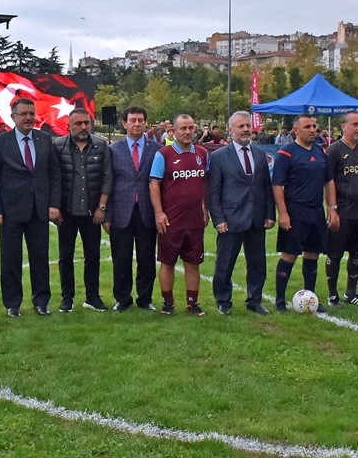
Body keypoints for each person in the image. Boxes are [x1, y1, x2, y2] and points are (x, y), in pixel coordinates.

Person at [0, 96, 61, 317]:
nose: (28, 117)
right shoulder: (0, 142)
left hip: (39, 210)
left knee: (40, 258)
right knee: (10, 259)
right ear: (13, 117)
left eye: (31, 113)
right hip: (10, 211)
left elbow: (54, 174)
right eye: (24, 114)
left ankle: (41, 301)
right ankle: (13, 303)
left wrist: (54, 204)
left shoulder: (45, 139)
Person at [207, 111, 274, 315]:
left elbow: (266, 187)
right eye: (240, 126)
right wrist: (218, 219)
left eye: (247, 125)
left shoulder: (261, 155)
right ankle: (223, 301)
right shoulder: (218, 157)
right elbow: (214, 191)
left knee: (257, 263)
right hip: (230, 219)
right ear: (231, 130)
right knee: (225, 263)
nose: (245, 129)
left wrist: (270, 214)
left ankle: (255, 300)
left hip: (256, 218)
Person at [149, 113, 210, 316]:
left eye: (191, 128)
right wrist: (159, 213)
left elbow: (205, 185)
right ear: (173, 131)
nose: (187, 132)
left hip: (194, 221)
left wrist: (205, 209)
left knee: (193, 263)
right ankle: (168, 303)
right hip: (170, 221)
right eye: (183, 128)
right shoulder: (163, 154)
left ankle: (192, 303)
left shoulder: (202, 153)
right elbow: (154, 184)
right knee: (167, 263)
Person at [271, 114, 333, 313]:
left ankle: (310, 297)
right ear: (296, 130)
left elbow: (328, 181)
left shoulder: (321, 152)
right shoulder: (286, 153)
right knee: (289, 255)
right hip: (295, 211)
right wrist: (283, 213)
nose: (313, 129)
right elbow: (278, 185)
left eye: (315, 126)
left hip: (316, 211)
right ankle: (280, 301)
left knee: (313, 254)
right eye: (308, 126)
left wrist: (332, 207)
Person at [54, 108, 113, 313]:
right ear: (69, 126)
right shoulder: (59, 146)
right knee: (65, 256)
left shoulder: (100, 145)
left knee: (93, 256)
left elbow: (107, 177)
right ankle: (67, 297)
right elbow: (54, 179)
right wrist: (56, 207)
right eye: (78, 123)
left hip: (92, 212)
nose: (83, 127)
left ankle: (92, 297)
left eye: (86, 123)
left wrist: (101, 207)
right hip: (67, 212)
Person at [105, 105, 158, 312]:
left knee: (146, 259)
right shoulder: (113, 150)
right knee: (121, 259)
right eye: (132, 120)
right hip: (121, 212)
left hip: (147, 212)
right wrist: (107, 215)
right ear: (125, 123)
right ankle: (123, 298)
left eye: (140, 120)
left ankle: (145, 298)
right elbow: (108, 184)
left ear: (145, 122)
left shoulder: (157, 148)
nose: (137, 123)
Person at [324, 112, 358, 306]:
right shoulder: (334, 150)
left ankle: (351, 292)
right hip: (341, 211)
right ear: (344, 126)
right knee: (335, 254)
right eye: (355, 124)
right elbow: (328, 182)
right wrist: (332, 208)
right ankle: (332, 294)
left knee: (357, 253)